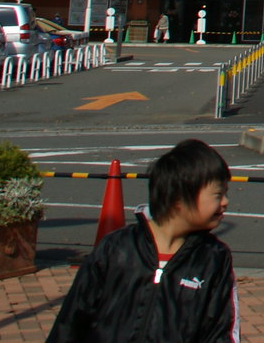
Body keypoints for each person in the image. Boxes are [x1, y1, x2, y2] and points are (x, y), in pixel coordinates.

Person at [46, 138, 238, 343]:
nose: (225, 202)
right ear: (178, 198)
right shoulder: (117, 248)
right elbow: (72, 319)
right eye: (218, 194)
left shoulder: (213, 258)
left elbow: (220, 331)